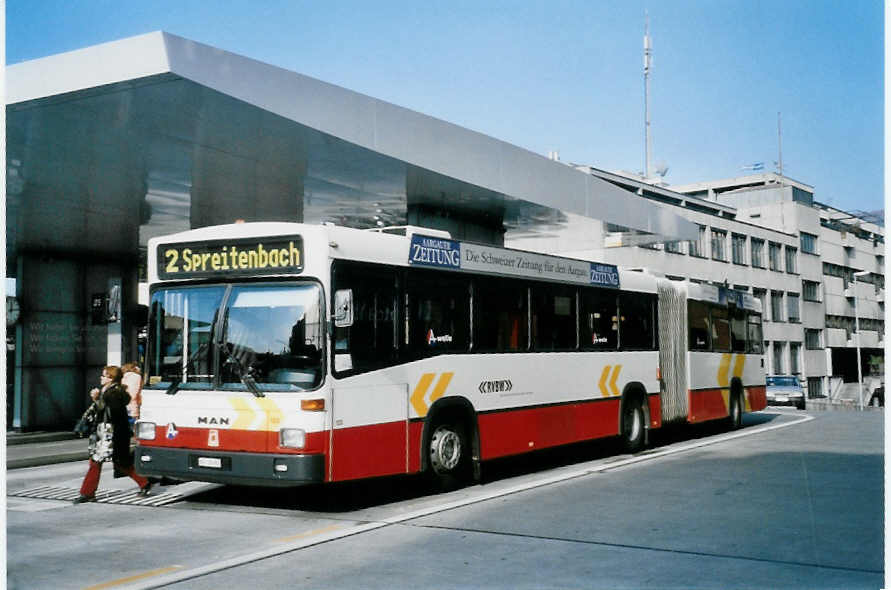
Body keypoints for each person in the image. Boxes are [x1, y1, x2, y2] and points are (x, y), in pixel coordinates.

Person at [74, 365, 151, 503]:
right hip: (107, 434)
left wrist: (97, 399)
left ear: (111, 378)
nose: (101, 377)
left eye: (104, 375)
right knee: (109, 462)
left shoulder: (113, 394)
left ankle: (88, 493)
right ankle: (88, 492)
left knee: (112, 462)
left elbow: (112, 414)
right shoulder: (110, 391)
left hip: (111, 434)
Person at [121, 362, 143, 429]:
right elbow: (134, 393)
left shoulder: (122, 377)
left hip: (122, 406)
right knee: (133, 429)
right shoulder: (137, 377)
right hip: (133, 406)